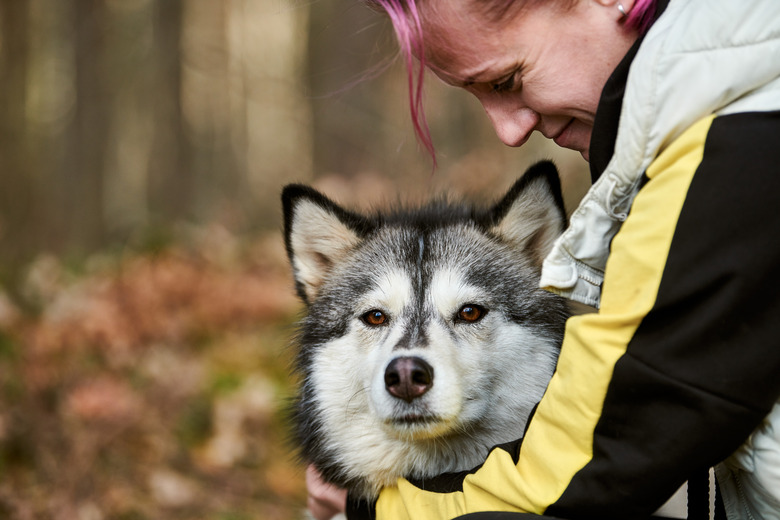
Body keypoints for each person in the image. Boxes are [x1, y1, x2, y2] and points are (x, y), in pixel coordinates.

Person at [307, 0, 780, 518]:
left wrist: (374, 510)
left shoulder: (734, 149)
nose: (508, 131)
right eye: (477, 95)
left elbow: (613, 441)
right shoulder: (730, 117)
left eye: (507, 80)